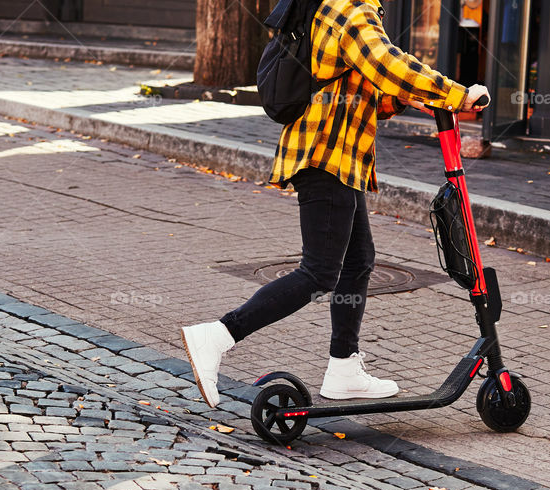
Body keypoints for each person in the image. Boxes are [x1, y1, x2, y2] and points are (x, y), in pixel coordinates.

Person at [182, 0, 489, 409]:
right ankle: (218, 336)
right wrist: (456, 94)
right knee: (319, 272)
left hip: (336, 158)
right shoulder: (350, 8)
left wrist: (407, 97)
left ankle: (344, 367)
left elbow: (370, 91)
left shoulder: (339, 8)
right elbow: (388, 64)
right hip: (327, 155)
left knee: (358, 260)